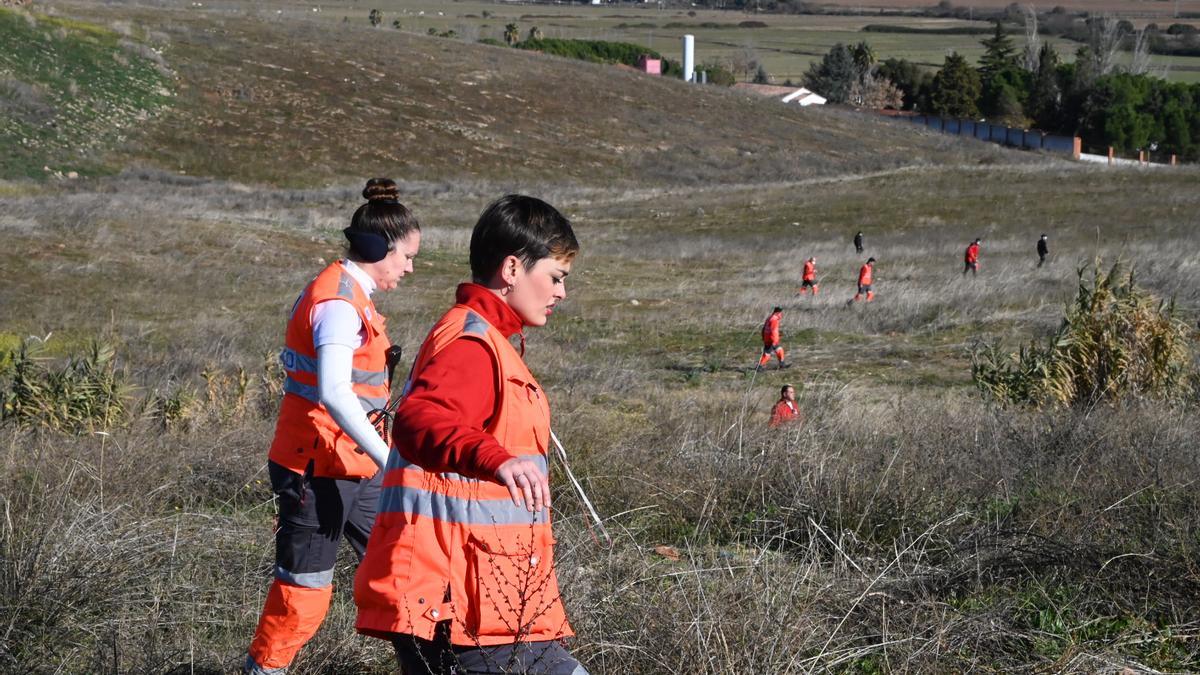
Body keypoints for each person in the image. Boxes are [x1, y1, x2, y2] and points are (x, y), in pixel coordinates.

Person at [354, 195, 587, 675]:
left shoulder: (483, 338)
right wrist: (497, 458)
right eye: (556, 277)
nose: (561, 293)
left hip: (477, 597)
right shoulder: (472, 343)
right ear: (511, 268)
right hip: (464, 605)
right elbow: (420, 419)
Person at [244, 178, 421, 675]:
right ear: (376, 248)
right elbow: (335, 393)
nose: (409, 268)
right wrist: (394, 462)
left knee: (402, 562)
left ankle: (430, 661)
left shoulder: (353, 296)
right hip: (316, 467)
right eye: (406, 256)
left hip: (355, 464)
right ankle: (266, 669)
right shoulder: (339, 303)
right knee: (304, 591)